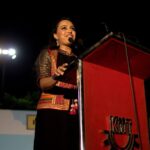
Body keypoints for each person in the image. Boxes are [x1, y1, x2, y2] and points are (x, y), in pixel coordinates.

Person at [33, 17, 80, 150]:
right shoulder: (47, 54)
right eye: (64, 28)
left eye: (73, 28)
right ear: (55, 35)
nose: (70, 31)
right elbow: (43, 83)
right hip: (51, 114)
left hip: (75, 113)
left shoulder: (82, 59)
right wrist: (56, 76)